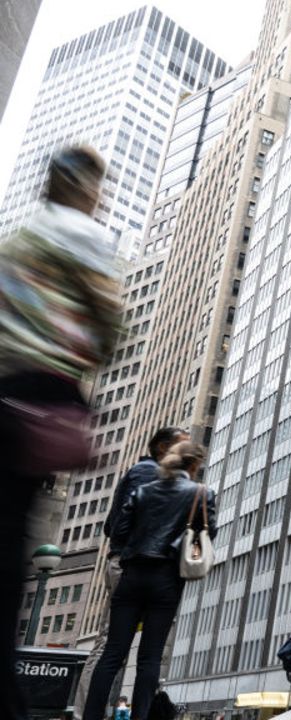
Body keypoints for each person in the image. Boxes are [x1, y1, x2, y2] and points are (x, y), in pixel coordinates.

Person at [0, 145, 119, 720]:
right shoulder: (83, 234)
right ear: (83, 188)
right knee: (9, 544)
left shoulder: (19, 240)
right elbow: (107, 324)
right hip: (41, 398)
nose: (103, 195)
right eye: (99, 185)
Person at [83, 441, 216, 720]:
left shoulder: (144, 491)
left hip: (133, 574)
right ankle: (140, 717)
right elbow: (207, 533)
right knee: (150, 656)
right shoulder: (201, 493)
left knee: (112, 653)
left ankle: (91, 715)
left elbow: (118, 531)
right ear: (194, 466)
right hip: (166, 579)